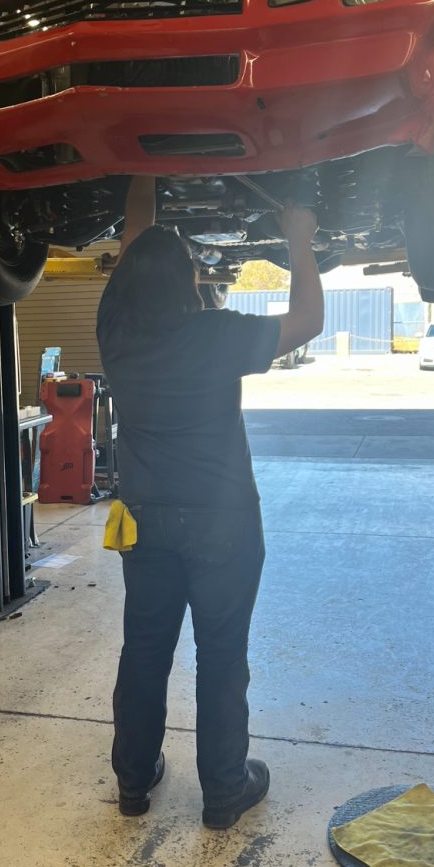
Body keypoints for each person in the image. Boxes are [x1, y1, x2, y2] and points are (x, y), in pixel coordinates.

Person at [96, 174, 324, 829]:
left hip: (143, 520)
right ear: (187, 283)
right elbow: (307, 320)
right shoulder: (216, 335)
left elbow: (135, 246)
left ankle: (133, 782)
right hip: (220, 520)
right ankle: (224, 789)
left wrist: (137, 172)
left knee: (143, 650)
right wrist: (298, 242)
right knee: (220, 654)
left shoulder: (115, 331)